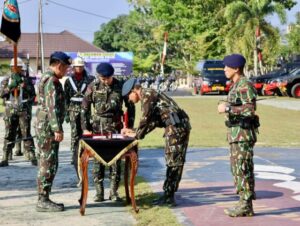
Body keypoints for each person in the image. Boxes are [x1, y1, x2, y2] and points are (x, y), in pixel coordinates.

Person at [121, 78, 191, 207]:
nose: (129, 100)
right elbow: (152, 122)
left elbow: (145, 118)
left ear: (134, 91)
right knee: (172, 161)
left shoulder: (147, 94)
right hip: (175, 127)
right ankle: (167, 195)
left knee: (174, 161)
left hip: (177, 128)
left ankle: (169, 197)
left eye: (128, 96)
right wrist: (135, 132)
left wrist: (136, 134)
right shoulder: (149, 95)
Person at [81, 62, 135, 202]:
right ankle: (99, 192)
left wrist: (129, 126)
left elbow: (130, 107)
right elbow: (84, 109)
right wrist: (85, 129)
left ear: (112, 76)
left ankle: (114, 192)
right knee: (98, 160)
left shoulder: (120, 86)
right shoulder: (93, 86)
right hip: (97, 128)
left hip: (115, 127)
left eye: (108, 78)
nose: (105, 81)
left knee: (116, 160)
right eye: (103, 78)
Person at [217, 54, 259, 217]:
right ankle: (245, 202)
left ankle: (245, 205)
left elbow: (249, 109)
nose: (224, 69)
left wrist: (227, 109)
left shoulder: (244, 85)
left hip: (243, 134)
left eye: (227, 66)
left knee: (242, 168)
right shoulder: (235, 85)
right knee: (238, 168)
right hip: (236, 134)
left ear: (236, 68)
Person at [35, 51, 71, 212]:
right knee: (48, 162)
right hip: (49, 127)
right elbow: (52, 107)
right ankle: (43, 199)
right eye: (66, 68)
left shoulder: (46, 77)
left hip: (45, 125)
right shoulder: (52, 80)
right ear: (59, 65)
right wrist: (57, 128)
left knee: (47, 160)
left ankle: (44, 197)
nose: (67, 71)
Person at [0, 57, 37, 167]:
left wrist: (24, 87)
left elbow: (33, 95)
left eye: (20, 67)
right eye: (16, 67)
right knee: (9, 133)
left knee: (26, 132)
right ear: (12, 68)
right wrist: (10, 88)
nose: (18, 69)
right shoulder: (7, 80)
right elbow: (1, 94)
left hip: (23, 109)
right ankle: (5, 156)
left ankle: (31, 154)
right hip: (10, 109)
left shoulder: (26, 80)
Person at [64, 56, 93, 166]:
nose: (79, 68)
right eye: (77, 67)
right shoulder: (68, 81)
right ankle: (74, 155)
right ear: (73, 67)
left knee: (86, 132)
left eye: (80, 66)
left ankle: (86, 153)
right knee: (75, 134)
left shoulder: (90, 80)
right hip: (73, 109)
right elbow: (66, 97)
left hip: (86, 110)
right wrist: (66, 112)